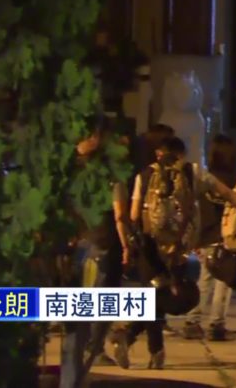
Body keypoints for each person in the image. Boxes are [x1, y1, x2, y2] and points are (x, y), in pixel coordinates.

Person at [60, 121, 131, 387]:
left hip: (75, 246)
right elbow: (120, 215)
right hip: (101, 246)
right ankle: (95, 353)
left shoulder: (66, 170)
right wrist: (126, 245)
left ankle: (75, 375)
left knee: (74, 322)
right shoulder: (109, 173)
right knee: (97, 310)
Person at [112, 137, 193, 370]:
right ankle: (153, 350)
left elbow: (134, 215)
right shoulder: (185, 175)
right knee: (156, 298)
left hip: (148, 245)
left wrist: (132, 242)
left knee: (153, 297)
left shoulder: (144, 176)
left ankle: (133, 340)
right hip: (174, 246)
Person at [183, 135, 236, 341]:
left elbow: (195, 209)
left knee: (205, 280)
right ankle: (216, 324)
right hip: (227, 237)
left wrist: (194, 238)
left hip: (205, 236)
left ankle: (192, 320)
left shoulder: (205, 178)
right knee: (224, 282)